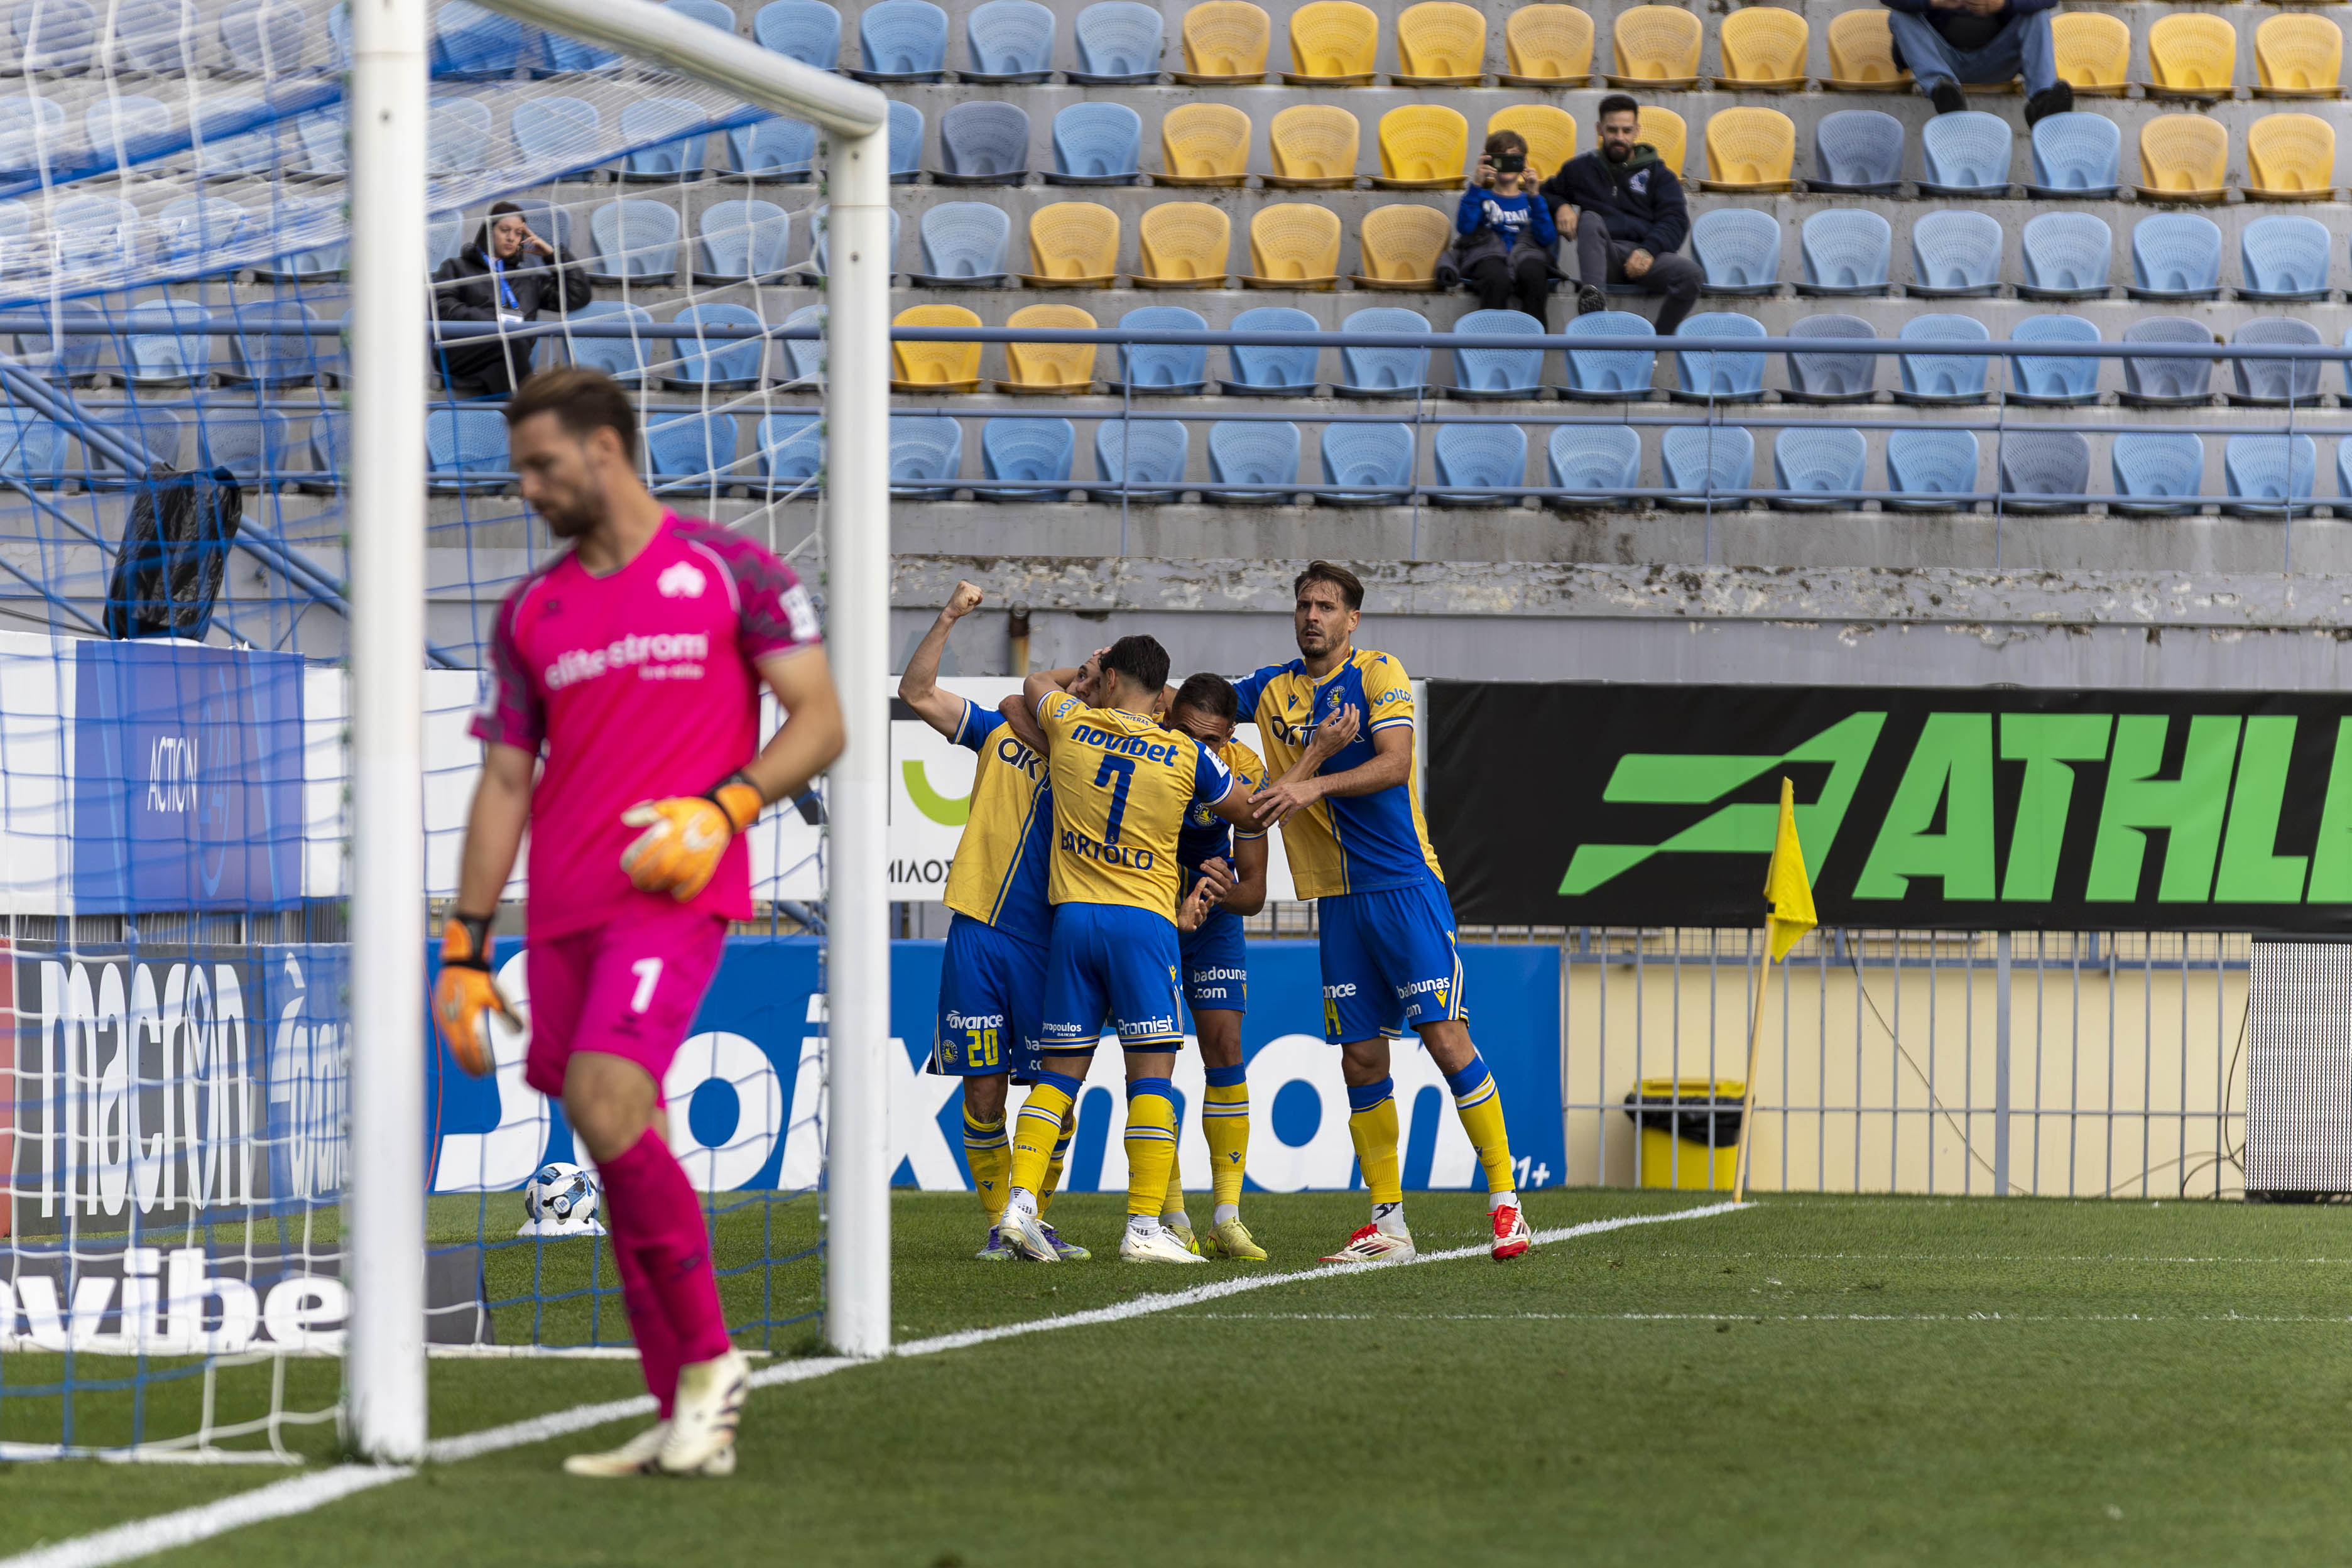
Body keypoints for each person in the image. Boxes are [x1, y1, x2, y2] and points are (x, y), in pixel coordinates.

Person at [433, 366, 843, 1478]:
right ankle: (682, 1416)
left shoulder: (732, 571)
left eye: (541, 466)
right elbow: (505, 782)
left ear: (604, 450)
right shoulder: (530, 610)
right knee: (621, 1144)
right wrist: (466, 945)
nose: (526, 488)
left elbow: (820, 721)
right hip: (562, 911)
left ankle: (709, 1363)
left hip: (672, 895)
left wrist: (726, 808)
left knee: (607, 1100)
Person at [1238, 562, 1532, 1265]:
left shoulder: (1378, 673)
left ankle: (1506, 1204)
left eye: (1326, 606)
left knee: (1446, 1040)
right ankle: (1388, 1223)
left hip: (1403, 885)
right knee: (1361, 1057)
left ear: (1352, 619)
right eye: (1304, 604)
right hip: (1339, 901)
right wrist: (1098, 680)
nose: (1312, 616)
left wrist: (1315, 784)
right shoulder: (1270, 688)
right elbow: (1188, 701)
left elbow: (1395, 764)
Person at [993, 636, 1262, 1265]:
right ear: (1163, 697)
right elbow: (1251, 814)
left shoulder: (1072, 723)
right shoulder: (1188, 754)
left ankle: (1020, 1207)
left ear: (1111, 679)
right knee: (1151, 1076)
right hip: (1143, 923)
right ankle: (1145, 1225)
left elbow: (1033, 685)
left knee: (1057, 1077)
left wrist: (1086, 671)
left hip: (1073, 921)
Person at [896, 582, 1096, 1263]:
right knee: (982, 1091)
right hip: (979, 931)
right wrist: (949, 616)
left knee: (1056, 1098)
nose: (1077, 686)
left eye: (1093, 680)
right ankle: (998, 1229)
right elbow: (917, 693)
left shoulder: (1101, 762)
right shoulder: (1001, 732)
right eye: (1074, 676)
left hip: (1052, 943)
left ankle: (1032, 1217)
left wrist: (1076, 691)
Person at [1538, 95, 1702, 336]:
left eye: (1626, 130)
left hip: (1648, 258)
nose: (1619, 137)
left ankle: (1657, 343)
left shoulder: (1660, 174)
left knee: (1692, 275)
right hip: (1606, 257)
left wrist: (1648, 250)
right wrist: (1561, 205)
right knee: (1589, 218)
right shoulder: (1580, 169)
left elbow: (1675, 220)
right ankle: (1594, 313)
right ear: (1599, 129)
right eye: (1612, 130)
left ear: (1637, 131)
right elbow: (1544, 193)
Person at [430, 201, 592, 400]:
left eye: (518, 233)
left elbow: (578, 295)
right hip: (462, 351)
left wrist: (552, 255)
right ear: (489, 231)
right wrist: (495, 323)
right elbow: (444, 308)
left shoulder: (528, 278)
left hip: (507, 359)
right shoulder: (456, 267)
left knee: (504, 368)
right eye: (505, 230)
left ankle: (519, 410)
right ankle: (530, 407)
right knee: (514, 340)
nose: (511, 238)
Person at [1883, 0, 2069, 123]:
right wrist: (1935, 1)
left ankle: (2042, 101)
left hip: (1997, 61)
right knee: (1899, 17)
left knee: (2038, 15)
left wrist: (2004, 3)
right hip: (1944, 63)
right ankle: (1944, 94)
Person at [1452, 129, 1558, 325]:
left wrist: (1535, 196)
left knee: (1534, 274)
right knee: (1496, 277)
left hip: (1526, 256)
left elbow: (1547, 237)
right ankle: (1493, 339)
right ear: (1490, 162)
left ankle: (1535, 339)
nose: (1507, 164)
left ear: (1524, 163)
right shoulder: (1480, 196)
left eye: (1514, 158)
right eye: (1501, 158)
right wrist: (1477, 184)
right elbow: (1465, 228)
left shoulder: (1532, 200)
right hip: (1489, 257)